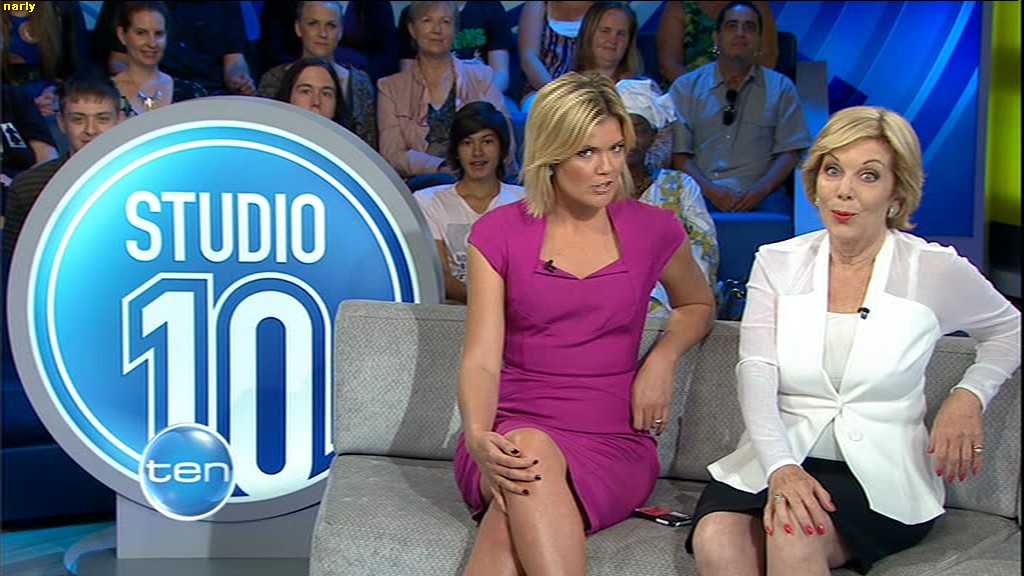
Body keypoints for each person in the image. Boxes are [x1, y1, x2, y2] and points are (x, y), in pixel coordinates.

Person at [688, 105, 1022, 575]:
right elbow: (756, 371)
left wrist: (968, 396)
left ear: (896, 191)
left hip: (881, 474)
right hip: (780, 455)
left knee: (794, 533)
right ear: (815, 181)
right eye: (833, 170)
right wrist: (782, 468)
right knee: (717, 539)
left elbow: (1010, 329)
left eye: (868, 175)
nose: (844, 191)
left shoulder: (933, 269)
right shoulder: (778, 262)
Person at [454, 71, 715, 575]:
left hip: (613, 439)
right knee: (527, 453)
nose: (607, 168)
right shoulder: (497, 234)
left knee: (508, 524)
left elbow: (697, 304)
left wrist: (661, 360)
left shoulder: (654, 229)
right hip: (510, 426)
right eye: (587, 153)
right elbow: (482, 359)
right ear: (551, 157)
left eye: (615, 149)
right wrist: (478, 435)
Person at [669, 1, 809, 214]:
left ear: (759, 40)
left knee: (780, 213)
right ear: (716, 38)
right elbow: (679, 155)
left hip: (763, 194)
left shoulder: (781, 88)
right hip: (700, 192)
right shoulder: (685, 88)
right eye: (732, 26)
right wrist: (711, 191)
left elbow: (790, 152)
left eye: (749, 27)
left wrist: (760, 191)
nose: (740, 33)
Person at [377, 1, 513, 183]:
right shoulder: (390, 88)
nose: (437, 29)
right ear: (412, 30)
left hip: (479, 179)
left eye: (445, 21)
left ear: (455, 31)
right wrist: (440, 168)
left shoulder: (482, 77)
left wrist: (468, 168)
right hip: (422, 185)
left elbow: (505, 141)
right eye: (427, 21)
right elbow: (392, 154)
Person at [4, 75, 124, 261]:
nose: (90, 130)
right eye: (78, 120)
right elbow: (14, 265)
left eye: (102, 119)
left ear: (119, 121)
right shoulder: (27, 187)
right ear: (61, 122)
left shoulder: (140, 181)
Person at [415, 101, 524, 304]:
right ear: (456, 150)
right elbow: (440, 276)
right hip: (455, 313)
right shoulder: (429, 202)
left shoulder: (525, 202)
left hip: (515, 314)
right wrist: (488, 304)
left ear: (501, 148)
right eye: (467, 143)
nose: (477, 152)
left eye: (487, 141)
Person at [615, 78, 719, 292]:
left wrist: (667, 289)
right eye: (623, 130)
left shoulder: (681, 186)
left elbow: (704, 245)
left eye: (639, 130)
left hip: (675, 295)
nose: (631, 139)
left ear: (653, 137)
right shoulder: (596, 188)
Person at [258, 1, 377, 149]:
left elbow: (367, 148)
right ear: (298, 28)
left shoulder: (359, 83)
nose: (323, 33)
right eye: (313, 24)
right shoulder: (274, 79)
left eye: (331, 25)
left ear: (341, 31)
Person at [92, 1, 256, 96]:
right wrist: (135, 87)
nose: (152, 42)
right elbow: (118, 61)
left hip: (211, 96)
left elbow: (234, 60)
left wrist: (240, 80)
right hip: (147, 92)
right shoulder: (128, 5)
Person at [111, 1, 206, 117]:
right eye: (141, 33)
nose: (152, 43)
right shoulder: (104, 93)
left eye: (158, 34)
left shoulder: (191, 92)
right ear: (122, 35)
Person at [397, 1, 514, 94]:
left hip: (482, 94)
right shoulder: (414, 12)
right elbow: (408, 75)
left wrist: (479, 97)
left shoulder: (490, 7)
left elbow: (500, 74)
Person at [656, 1, 778, 85]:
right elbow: (669, 64)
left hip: (746, 92)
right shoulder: (679, 7)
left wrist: (742, 88)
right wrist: (701, 91)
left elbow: (767, 56)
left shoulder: (756, 6)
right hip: (689, 93)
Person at [517, 1, 594, 112]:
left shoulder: (603, 9)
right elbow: (529, 58)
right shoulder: (539, 5)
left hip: (589, 90)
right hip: (543, 89)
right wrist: (557, 93)